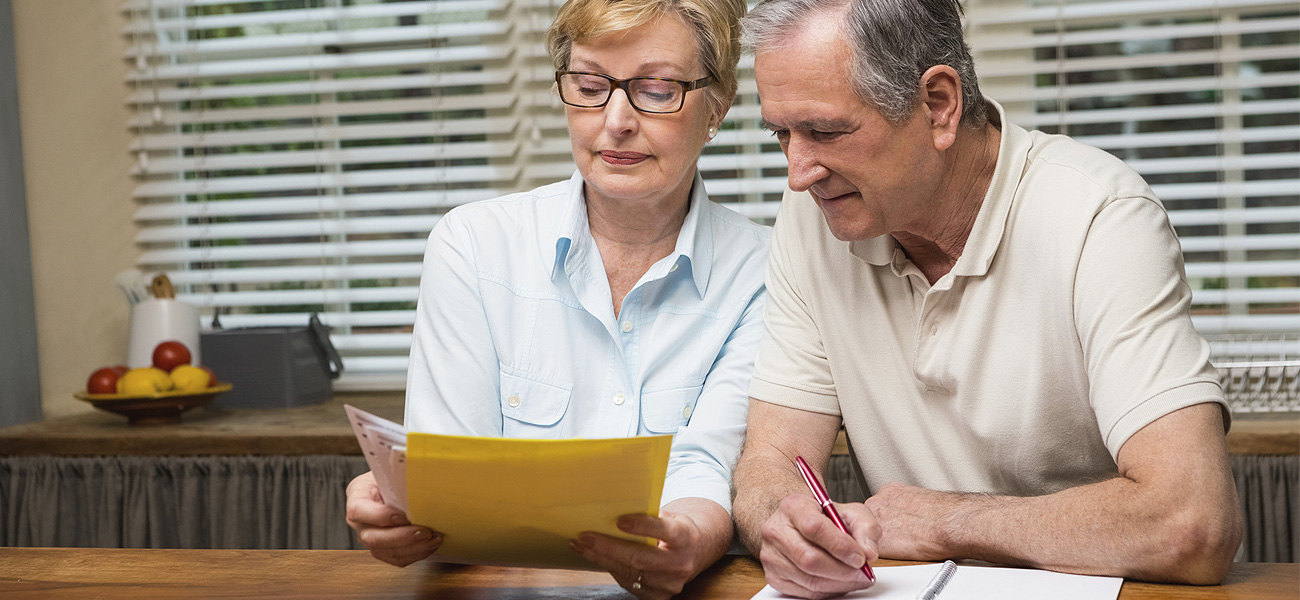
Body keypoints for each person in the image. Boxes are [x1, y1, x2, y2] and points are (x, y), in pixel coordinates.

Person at [729, 0, 1244, 597]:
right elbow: (773, 455)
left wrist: (947, 520)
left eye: (824, 131)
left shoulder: (1100, 217)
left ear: (938, 106)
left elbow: (1192, 522)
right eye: (781, 134)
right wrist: (787, 523)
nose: (797, 172)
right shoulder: (813, 215)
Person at [345, 0, 768, 597]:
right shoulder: (472, 246)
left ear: (717, 109)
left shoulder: (763, 271)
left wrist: (689, 537)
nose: (615, 120)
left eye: (655, 88)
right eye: (591, 85)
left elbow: (707, 464)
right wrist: (403, 508)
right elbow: (450, 482)